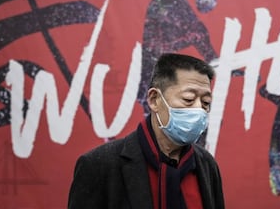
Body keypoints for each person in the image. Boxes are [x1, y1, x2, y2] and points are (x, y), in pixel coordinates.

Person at [68, 53, 225, 209]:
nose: (199, 109)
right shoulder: (100, 165)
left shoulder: (206, 165)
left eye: (205, 102)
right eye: (188, 99)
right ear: (154, 99)